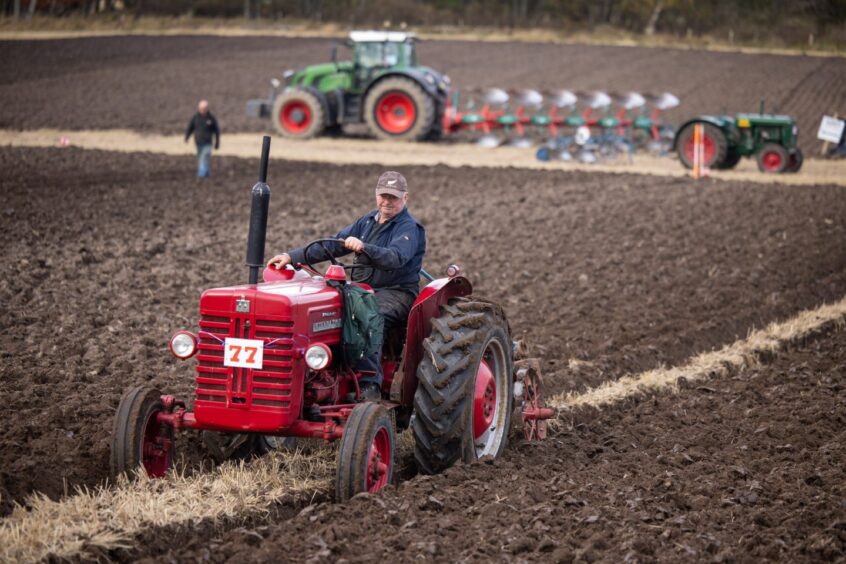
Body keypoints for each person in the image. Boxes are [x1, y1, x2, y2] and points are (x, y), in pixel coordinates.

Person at [266, 171, 426, 401]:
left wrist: (364, 248)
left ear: (405, 198)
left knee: (368, 315)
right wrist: (290, 256)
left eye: (393, 197)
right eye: (383, 196)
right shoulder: (367, 222)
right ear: (376, 195)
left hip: (396, 292)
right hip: (362, 290)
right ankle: (318, 369)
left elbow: (395, 258)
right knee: (325, 311)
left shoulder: (409, 228)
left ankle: (370, 383)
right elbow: (331, 245)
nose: (387, 202)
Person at [184, 100, 220, 178]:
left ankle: (201, 175)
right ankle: (207, 174)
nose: (202, 110)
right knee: (201, 158)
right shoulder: (195, 117)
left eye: (204, 108)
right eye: (201, 108)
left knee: (204, 157)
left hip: (208, 143)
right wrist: (187, 137)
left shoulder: (211, 118)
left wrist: (217, 143)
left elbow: (217, 131)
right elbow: (190, 128)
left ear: (207, 108)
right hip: (198, 142)